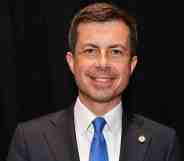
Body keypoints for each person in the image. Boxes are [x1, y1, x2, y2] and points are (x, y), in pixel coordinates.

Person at [7, 2, 181, 161]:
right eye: (90, 50)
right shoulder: (30, 140)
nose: (103, 63)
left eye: (116, 52)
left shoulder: (162, 142)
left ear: (132, 65)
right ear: (72, 62)